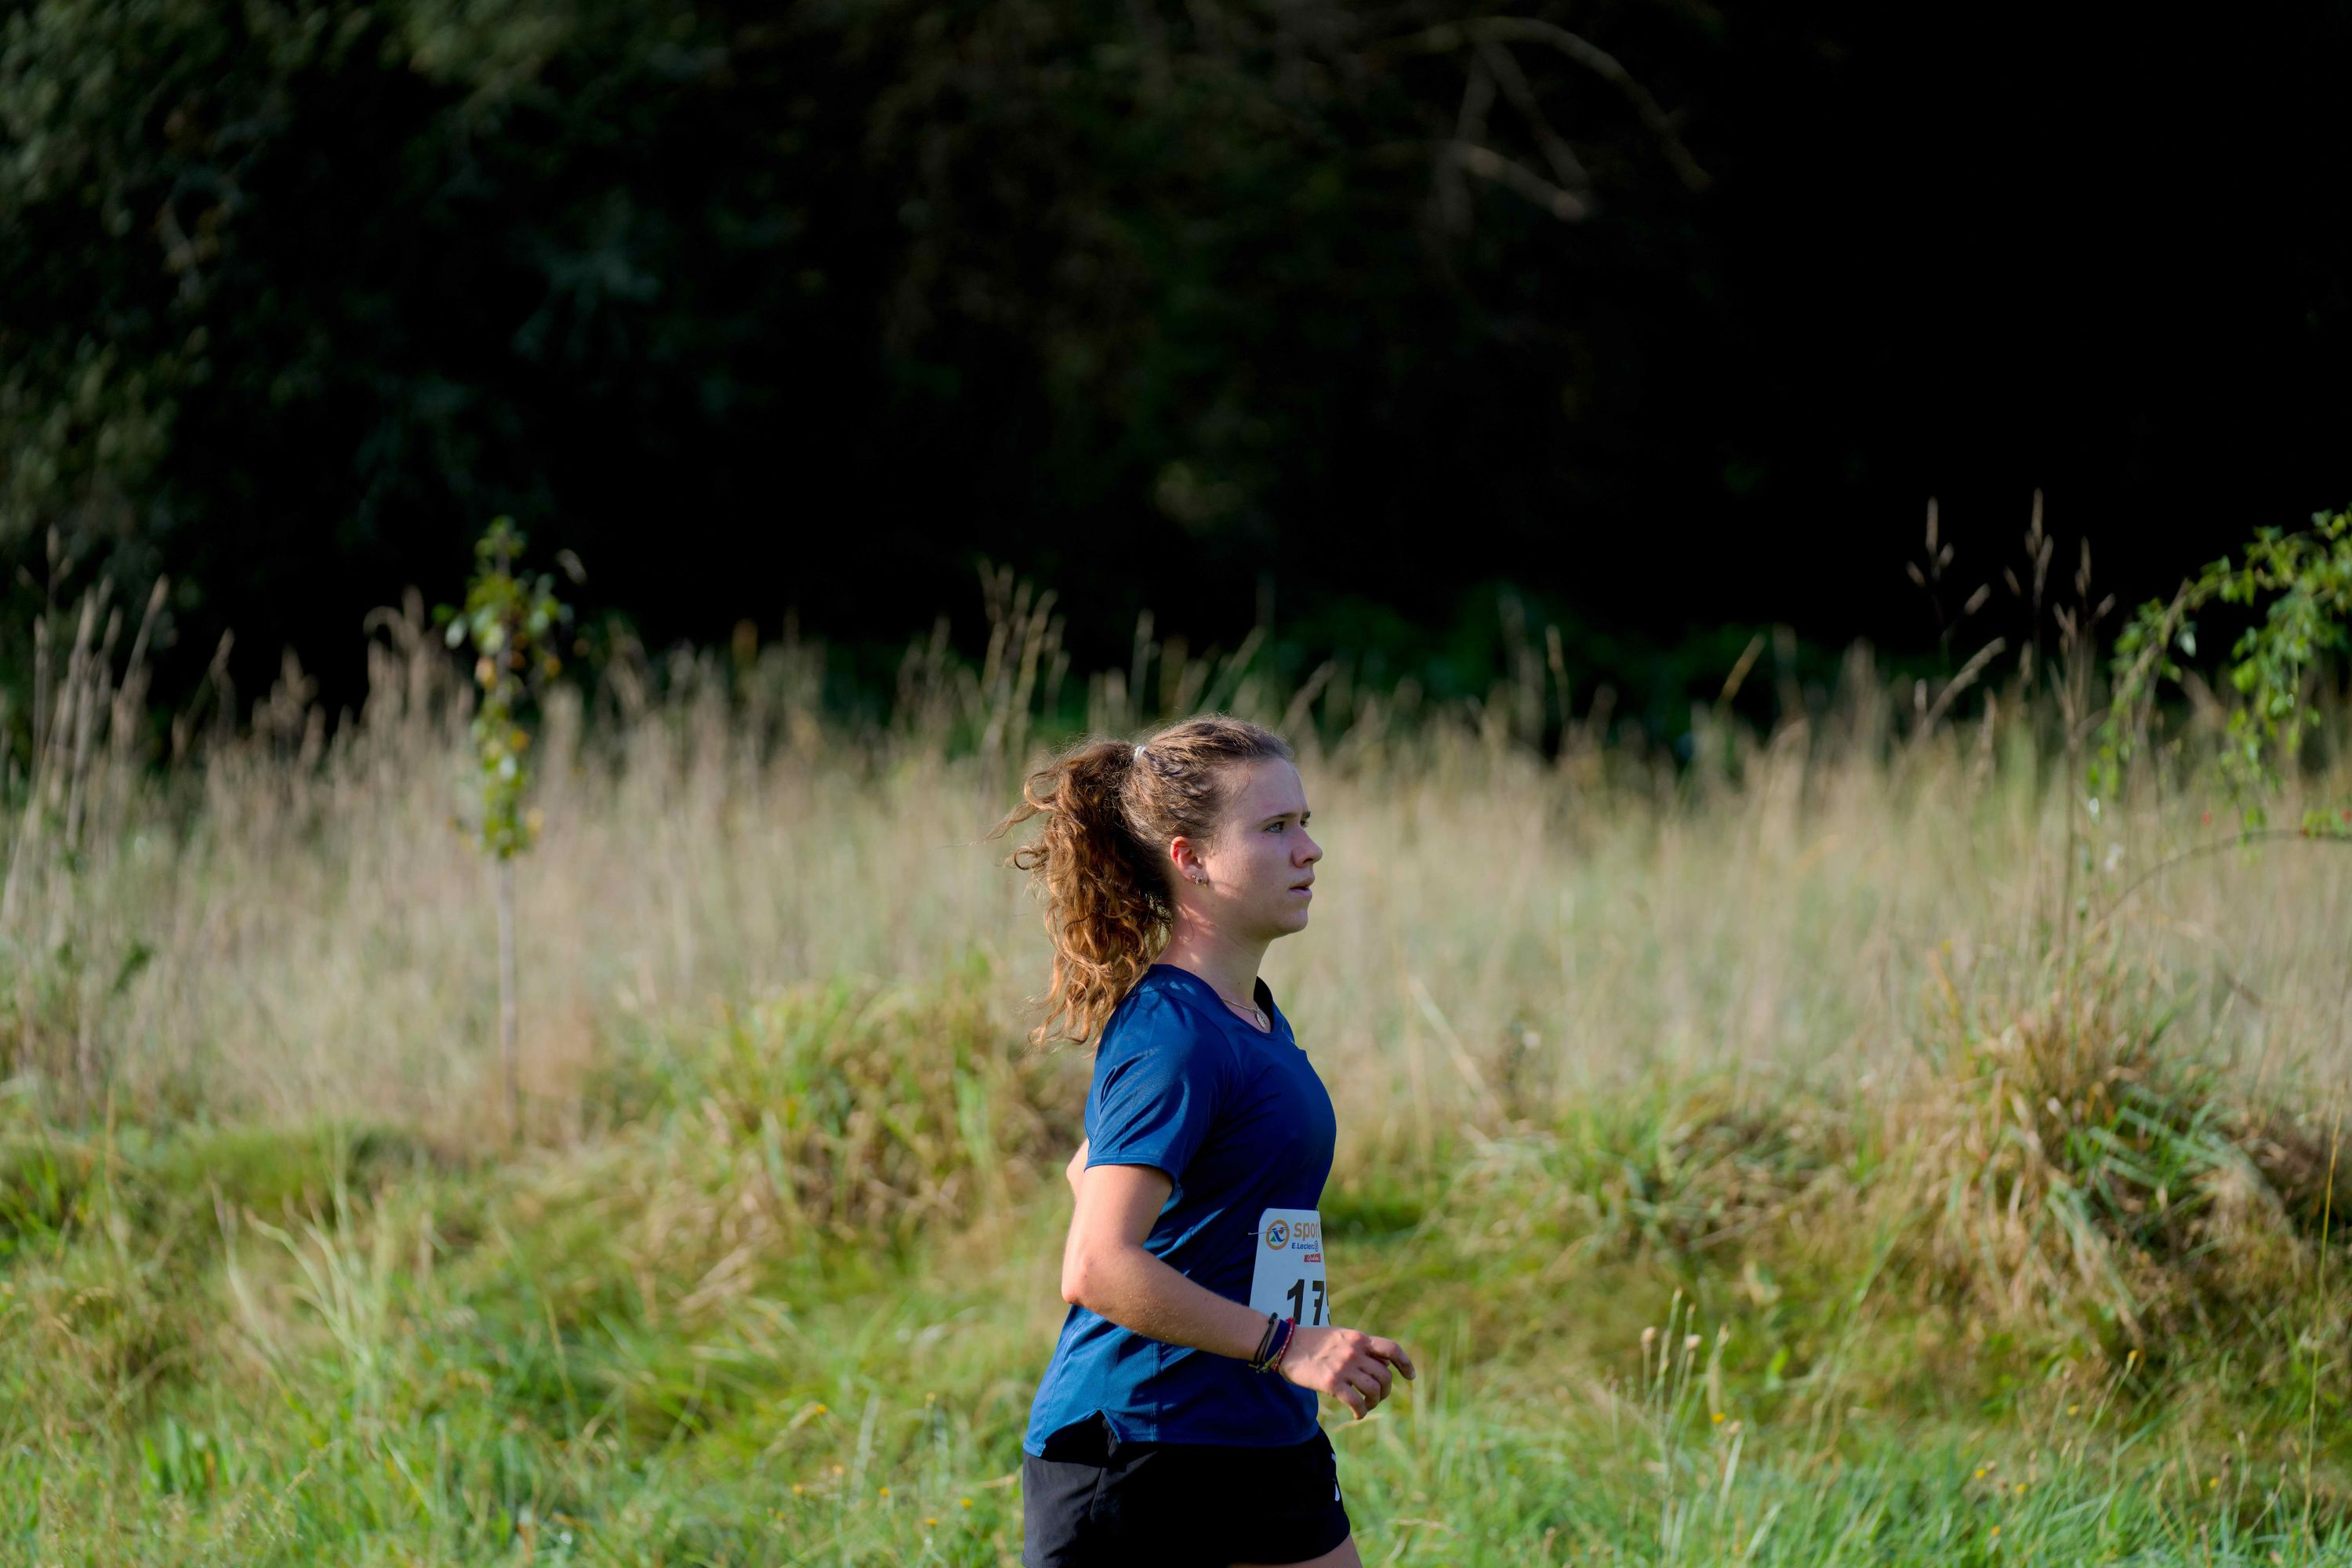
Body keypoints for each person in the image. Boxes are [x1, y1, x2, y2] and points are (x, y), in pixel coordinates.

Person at [989, 714, 1415, 1568]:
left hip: (1260, 1426)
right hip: (1142, 1446)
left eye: (1305, 821)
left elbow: (1091, 1166)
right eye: (1275, 827)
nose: (1310, 850)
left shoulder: (1248, 1014)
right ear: (1190, 859)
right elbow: (1096, 1264)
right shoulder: (1174, 1033)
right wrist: (1289, 1341)